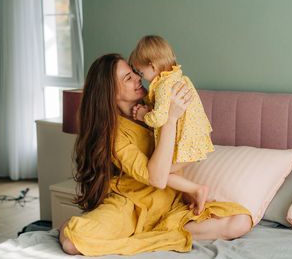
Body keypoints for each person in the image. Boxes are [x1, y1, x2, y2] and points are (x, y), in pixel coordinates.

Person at [59, 54, 252, 256]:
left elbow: (181, 149)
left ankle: (154, 233)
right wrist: (170, 119)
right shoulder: (113, 135)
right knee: (74, 241)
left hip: (170, 206)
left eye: (134, 72)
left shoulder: (155, 101)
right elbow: (157, 178)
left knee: (240, 221)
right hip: (131, 207)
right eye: (128, 78)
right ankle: (160, 235)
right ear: (110, 92)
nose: (137, 77)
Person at [129, 35, 213, 215]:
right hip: (195, 139)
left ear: (152, 66)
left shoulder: (163, 86)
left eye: (141, 73)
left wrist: (144, 115)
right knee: (166, 173)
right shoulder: (177, 78)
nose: (142, 78)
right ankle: (190, 193)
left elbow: (159, 118)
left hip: (187, 142)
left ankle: (197, 189)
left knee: (158, 174)